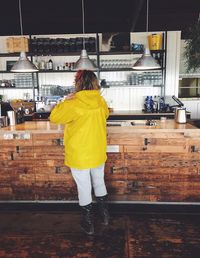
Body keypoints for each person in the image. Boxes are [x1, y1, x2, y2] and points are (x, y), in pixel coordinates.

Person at [50, 70, 109, 235]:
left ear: (78, 83)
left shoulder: (73, 103)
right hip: (97, 150)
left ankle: (88, 223)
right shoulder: (101, 100)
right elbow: (106, 114)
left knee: (84, 187)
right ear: (95, 82)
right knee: (99, 181)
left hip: (80, 153)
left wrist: (64, 100)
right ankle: (105, 216)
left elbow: (54, 117)